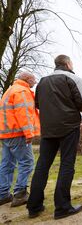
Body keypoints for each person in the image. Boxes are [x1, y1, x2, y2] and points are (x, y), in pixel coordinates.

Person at [27, 55, 82, 219]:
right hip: (69, 127)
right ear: (68, 64)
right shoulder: (73, 78)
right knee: (67, 164)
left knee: (42, 164)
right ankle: (62, 207)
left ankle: (34, 206)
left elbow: (38, 104)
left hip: (48, 128)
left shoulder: (42, 81)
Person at [0, 72, 40, 207]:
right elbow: (24, 114)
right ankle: (20, 194)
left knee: (7, 164)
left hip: (6, 134)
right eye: (34, 79)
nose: (35, 82)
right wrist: (29, 133)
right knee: (27, 162)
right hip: (17, 134)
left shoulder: (10, 90)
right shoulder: (22, 91)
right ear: (28, 79)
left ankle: (3, 194)